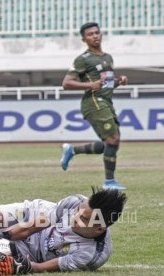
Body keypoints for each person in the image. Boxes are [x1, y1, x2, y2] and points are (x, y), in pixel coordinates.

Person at [60, 22, 128, 190]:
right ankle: (109, 182)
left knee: (111, 144)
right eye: (90, 34)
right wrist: (91, 85)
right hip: (93, 103)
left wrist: (119, 81)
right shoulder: (83, 60)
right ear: (84, 39)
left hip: (106, 102)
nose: (95, 36)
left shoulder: (108, 57)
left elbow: (106, 84)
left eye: (97, 32)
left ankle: (72, 150)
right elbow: (66, 83)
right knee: (112, 139)